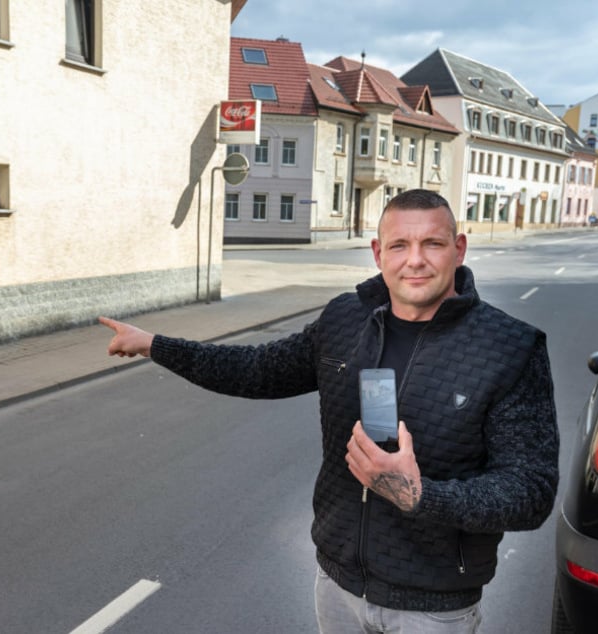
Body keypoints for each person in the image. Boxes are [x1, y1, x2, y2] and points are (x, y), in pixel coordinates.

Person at [100, 189, 558, 634]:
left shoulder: (509, 348)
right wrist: (155, 345)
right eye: (399, 244)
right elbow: (258, 370)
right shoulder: (345, 318)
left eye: (432, 244)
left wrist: (420, 496)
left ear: (458, 249)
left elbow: (530, 491)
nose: (415, 260)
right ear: (378, 253)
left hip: (432, 607)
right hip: (338, 586)